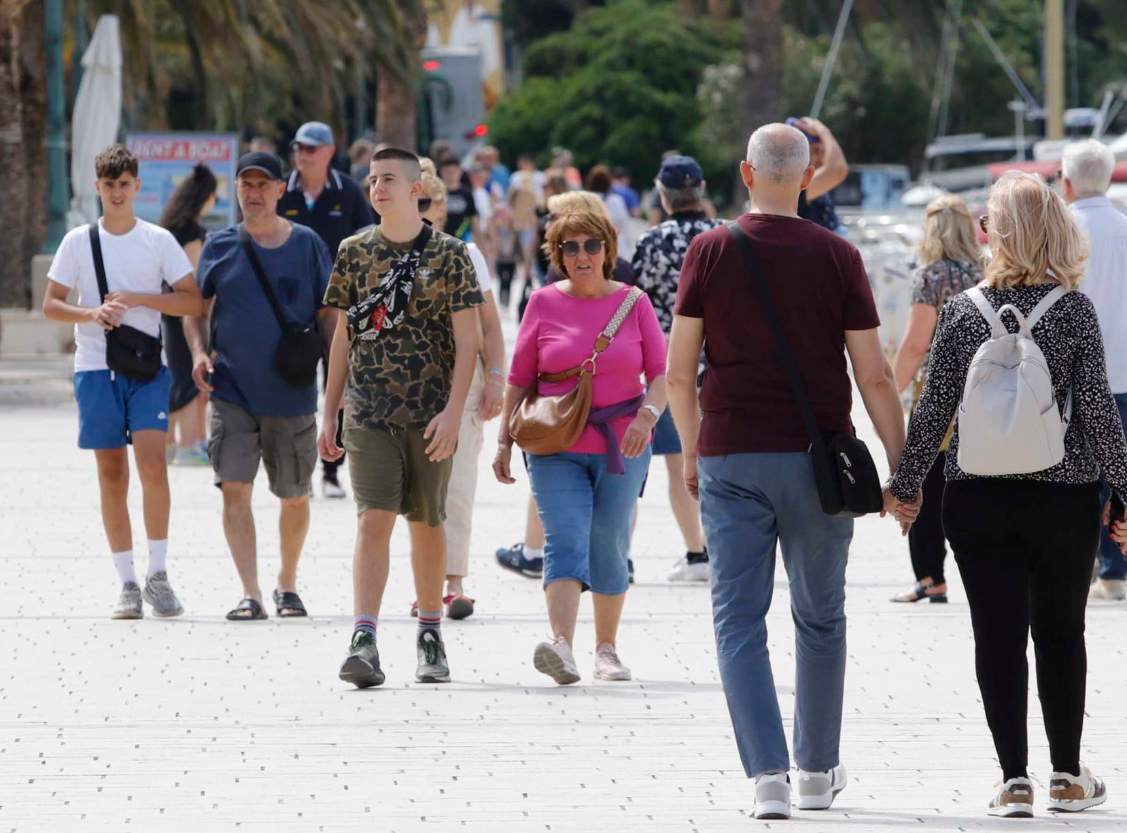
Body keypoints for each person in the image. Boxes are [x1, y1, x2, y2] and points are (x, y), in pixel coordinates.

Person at [666, 124, 911, 819]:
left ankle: (765, 775)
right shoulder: (838, 254)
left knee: (738, 619)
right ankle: (815, 770)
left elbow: (678, 372)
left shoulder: (709, 249)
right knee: (820, 618)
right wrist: (901, 469)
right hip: (817, 462)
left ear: (746, 173)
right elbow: (873, 373)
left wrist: (689, 449)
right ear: (807, 177)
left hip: (731, 453)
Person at [889, 171, 1127, 816]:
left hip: (977, 494)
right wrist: (1125, 496)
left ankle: (1014, 779)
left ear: (1000, 235)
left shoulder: (964, 309)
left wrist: (907, 486)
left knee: (996, 635)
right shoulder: (1074, 310)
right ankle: (1068, 775)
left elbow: (935, 408)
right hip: (1064, 495)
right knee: (1059, 633)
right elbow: (1099, 414)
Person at [321, 147, 483, 688]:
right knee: (372, 518)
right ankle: (364, 637)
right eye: (371, 179)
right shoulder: (353, 251)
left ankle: (430, 633)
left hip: (432, 413)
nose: (377, 187)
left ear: (417, 189)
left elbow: (469, 341)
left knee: (427, 522)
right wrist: (330, 410)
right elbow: (343, 334)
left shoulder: (451, 253)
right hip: (369, 413)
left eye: (388, 178)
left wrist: (455, 411)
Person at [494, 206, 667, 685]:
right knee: (565, 539)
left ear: (608, 250)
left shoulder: (635, 303)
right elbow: (519, 379)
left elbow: (659, 377)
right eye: (570, 246)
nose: (582, 254)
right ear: (559, 255)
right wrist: (504, 442)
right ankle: (562, 646)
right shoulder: (542, 302)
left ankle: (606, 650)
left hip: (622, 443)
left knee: (608, 542)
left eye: (592, 244)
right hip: (553, 443)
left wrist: (646, 418)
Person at [42, 143, 203, 619]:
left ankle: (158, 573)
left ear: (137, 186)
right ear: (98, 188)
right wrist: (92, 311)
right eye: (109, 185)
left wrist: (140, 299)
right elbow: (51, 303)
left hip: (148, 370)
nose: (117, 193)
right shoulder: (77, 241)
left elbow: (192, 301)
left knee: (153, 466)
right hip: (94, 367)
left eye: (125, 184)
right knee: (112, 476)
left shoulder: (157, 240)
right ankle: (127, 581)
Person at [184, 151, 335, 621]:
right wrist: (198, 351)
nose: (253, 192)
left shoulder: (308, 244)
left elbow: (329, 316)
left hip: (291, 394)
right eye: (245, 184)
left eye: (262, 184)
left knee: (294, 495)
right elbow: (196, 309)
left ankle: (286, 583)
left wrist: (338, 385)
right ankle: (250, 593)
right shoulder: (219, 244)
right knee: (235, 489)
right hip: (230, 391)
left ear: (279, 190)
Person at [411, 167, 506, 619]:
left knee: (459, 484)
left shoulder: (466, 254)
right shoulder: (382, 251)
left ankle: (454, 582)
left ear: (442, 208)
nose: (420, 214)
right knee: (417, 491)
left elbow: (489, 324)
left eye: (426, 203)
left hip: (462, 386)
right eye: (412, 203)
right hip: (406, 388)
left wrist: (496, 379)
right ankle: (424, 585)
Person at [889, 195, 983, 603]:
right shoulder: (990, 269)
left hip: (938, 395)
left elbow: (914, 346)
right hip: (985, 392)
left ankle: (930, 577)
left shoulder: (930, 276)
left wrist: (888, 392)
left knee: (925, 483)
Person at [632, 154, 719, 582]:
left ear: (664, 196)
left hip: (669, 364)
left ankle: (696, 554)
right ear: (701, 191)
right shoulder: (725, 235)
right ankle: (722, 548)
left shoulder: (651, 242)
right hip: (722, 364)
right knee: (720, 459)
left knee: (678, 461)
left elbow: (637, 303)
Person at [277, 121, 376, 499]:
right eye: (298, 147)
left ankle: (332, 470)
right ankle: (297, 469)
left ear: (330, 152)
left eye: (311, 147)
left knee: (338, 387)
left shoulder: (349, 192)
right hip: (289, 308)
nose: (302, 154)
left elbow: (369, 247)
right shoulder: (281, 190)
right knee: (293, 387)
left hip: (340, 310)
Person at [1061, 139, 1127, 602]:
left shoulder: (1060, 233)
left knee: (1073, 473)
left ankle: (1076, 561)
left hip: (1068, 373)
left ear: (1065, 182)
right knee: (1120, 471)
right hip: (1123, 370)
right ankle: (1115, 568)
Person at [159, 162, 218, 466]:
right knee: (191, 375)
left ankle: (171, 444)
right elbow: (195, 279)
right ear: (205, 196)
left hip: (169, 310)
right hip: (188, 312)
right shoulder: (192, 232)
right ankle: (190, 444)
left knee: (177, 375)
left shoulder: (169, 226)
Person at [788, 117, 848, 234]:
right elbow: (838, 169)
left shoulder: (811, 179)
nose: (822, 159)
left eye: (823, 152)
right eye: (816, 151)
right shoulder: (791, 186)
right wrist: (824, 131)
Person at [585, 164, 635, 260]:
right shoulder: (616, 201)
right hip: (618, 248)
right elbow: (625, 225)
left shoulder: (586, 201)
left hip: (593, 249)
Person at [440, 158, 480, 242]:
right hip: (442, 239)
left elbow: (473, 218)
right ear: (441, 172)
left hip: (463, 238)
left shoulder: (466, 193)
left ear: (460, 171)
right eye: (447, 172)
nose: (451, 175)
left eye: (453, 171)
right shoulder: (437, 194)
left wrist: (481, 244)